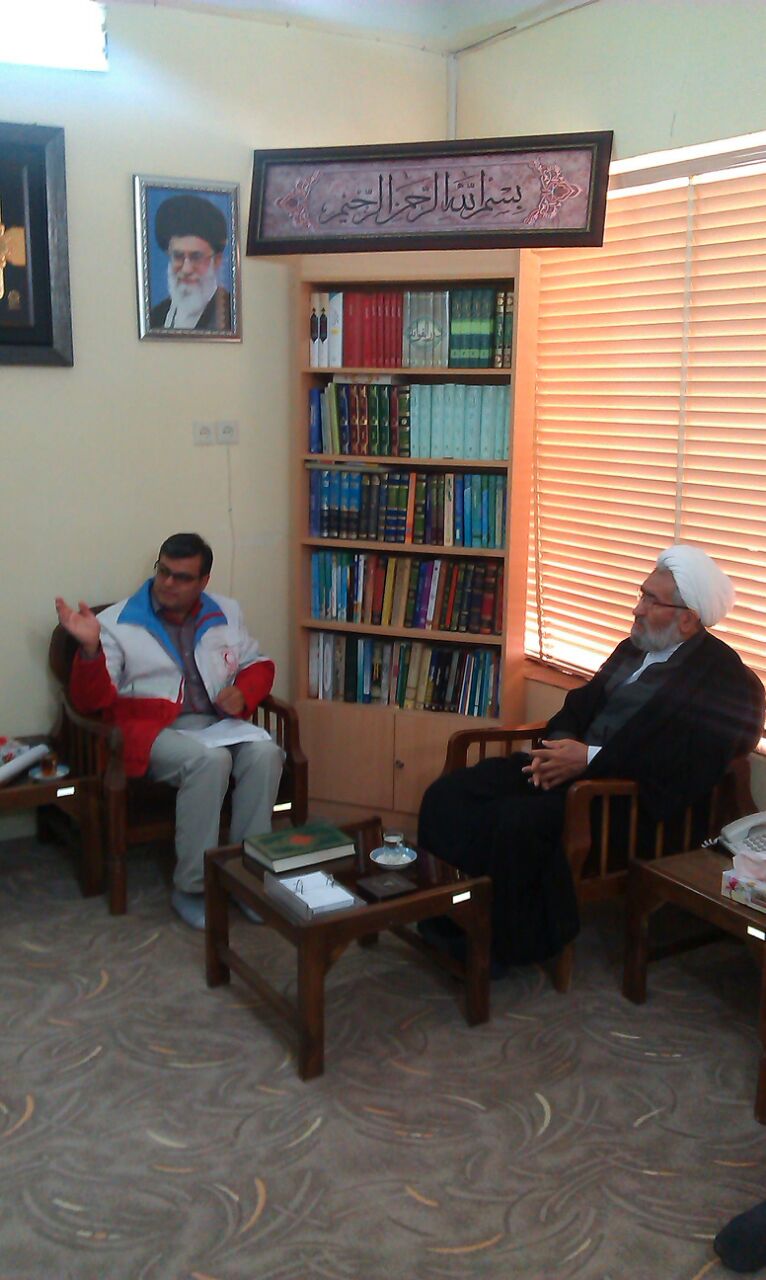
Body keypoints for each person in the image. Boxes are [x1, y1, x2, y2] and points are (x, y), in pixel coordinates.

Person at [418, 545, 766, 971]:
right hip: (568, 769)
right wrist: (561, 747)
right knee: (449, 794)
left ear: (688, 619)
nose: (637, 609)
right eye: (641, 594)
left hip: (621, 803)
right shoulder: (633, 647)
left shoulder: (722, 677)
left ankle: (500, 945)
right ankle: (447, 914)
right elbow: (578, 707)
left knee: (513, 823)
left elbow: (686, 758)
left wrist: (589, 759)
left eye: (651, 600)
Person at [55, 533, 283, 929]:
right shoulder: (116, 623)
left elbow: (257, 663)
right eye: (163, 571)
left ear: (204, 581)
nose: (168, 583)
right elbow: (90, 701)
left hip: (215, 724)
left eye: (182, 577)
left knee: (266, 754)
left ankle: (248, 877)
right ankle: (192, 887)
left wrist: (244, 693)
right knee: (209, 762)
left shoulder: (226, 611)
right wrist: (90, 651)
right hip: (149, 731)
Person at [149, 194, 232, 332]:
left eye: (196, 257)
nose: (186, 269)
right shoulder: (156, 316)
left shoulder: (230, 314)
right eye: (178, 256)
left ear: (217, 260)